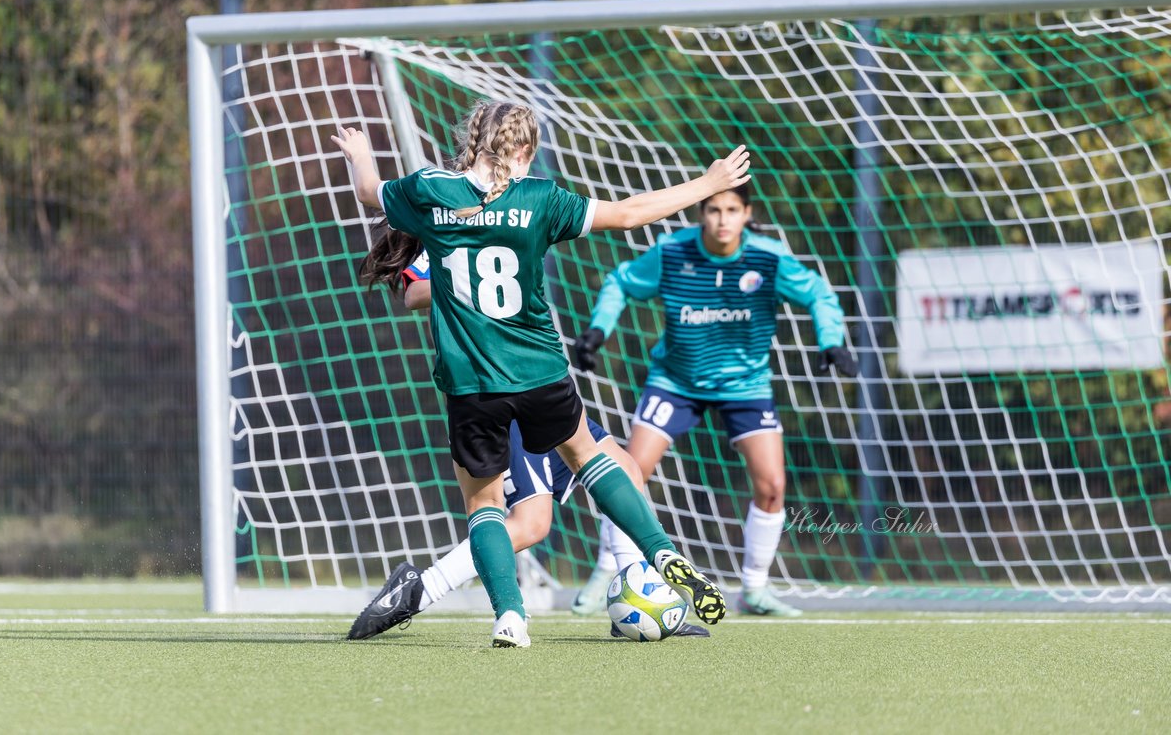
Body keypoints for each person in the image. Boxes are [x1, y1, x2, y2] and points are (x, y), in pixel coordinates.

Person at [331, 99, 748, 647]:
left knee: (502, 502)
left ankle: (528, 612)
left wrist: (361, 154)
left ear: (472, 141)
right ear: (525, 150)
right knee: (571, 485)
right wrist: (706, 182)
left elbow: (369, 191)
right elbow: (626, 213)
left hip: (475, 383)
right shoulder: (538, 198)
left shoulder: (430, 192)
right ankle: (657, 553)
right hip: (539, 372)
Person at [346, 249, 708, 640]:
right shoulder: (454, 225)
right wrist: (475, 285)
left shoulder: (519, 211)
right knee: (530, 524)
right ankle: (420, 589)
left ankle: (634, 594)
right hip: (499, 390)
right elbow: (415, 294)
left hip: (539, 378)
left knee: (627, 470)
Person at [571, 183, 857, 618]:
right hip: (675, 380)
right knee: (629, 473)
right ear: (702, 213)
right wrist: (598, 330)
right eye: (714, 210)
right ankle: (608, 570)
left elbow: (819, 293)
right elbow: (621, 283)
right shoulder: (672, 252)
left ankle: (755, 590)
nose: (723, 219)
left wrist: (831, 340)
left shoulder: (768, 258)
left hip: (745, 385)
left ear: (747, 213)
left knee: (773, 485)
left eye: (732, 210)